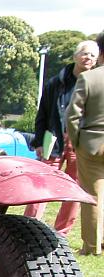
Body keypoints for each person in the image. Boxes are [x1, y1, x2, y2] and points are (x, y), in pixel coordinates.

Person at [25, 39, 99, 235]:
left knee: (75, 188)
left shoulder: (96, 84)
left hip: (80, 143)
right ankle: (29, 227)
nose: (88, 58)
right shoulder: (55, 83)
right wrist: (39, 141)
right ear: (75, 56)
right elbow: (42, 114)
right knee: (41, 183)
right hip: (54, 141)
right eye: (84, 53)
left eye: (93, 55)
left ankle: (62, 232)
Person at [67, 32, 104, 255]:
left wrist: (76, 140)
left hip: (92, 144)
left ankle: (92, 246)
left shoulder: (89, 78)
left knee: (92, 195)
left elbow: (72, 115)